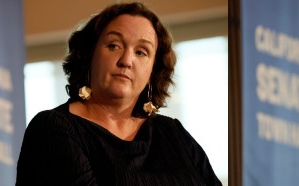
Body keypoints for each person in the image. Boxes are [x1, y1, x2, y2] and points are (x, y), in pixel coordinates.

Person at [16, 2, 221, 185]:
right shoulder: (53, 127)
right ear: (89, 55)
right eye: (114, 46)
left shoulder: (173, 133)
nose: (126, 60)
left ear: (152, 71)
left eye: (141, 52)